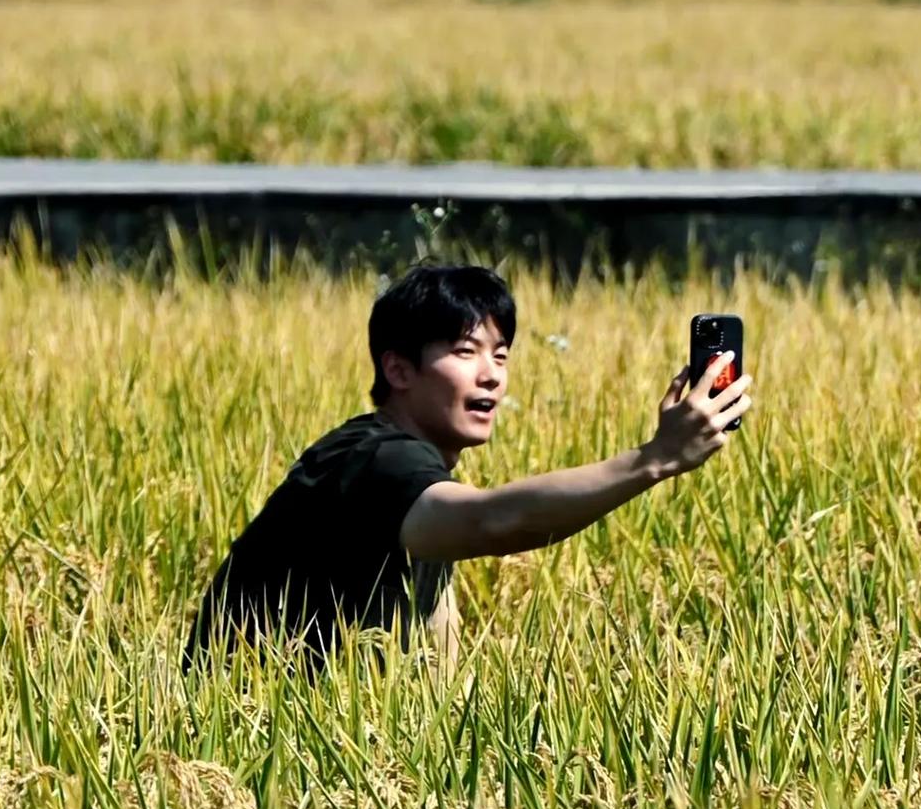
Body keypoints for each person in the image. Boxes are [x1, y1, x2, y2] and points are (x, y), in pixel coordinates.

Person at [183, 262, 752, 672]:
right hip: (256, 743)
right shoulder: (377, 461)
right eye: (465, 352)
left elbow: (437, 652)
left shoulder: (419, 472)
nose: (491, 375)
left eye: (500, 355)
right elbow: (493, 523)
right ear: (399, 370)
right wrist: (654, 460)